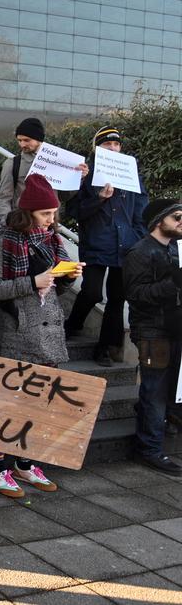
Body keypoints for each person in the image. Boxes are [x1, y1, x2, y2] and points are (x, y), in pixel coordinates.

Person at [0, 174, 83, 498]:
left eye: (55, 213)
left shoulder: (52, 239)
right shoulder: (4, 240)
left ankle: (25, 463)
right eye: (46, 214)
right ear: (28, 212)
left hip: (50, 332)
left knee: (39, 405)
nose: (53, 220)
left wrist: (68, 276)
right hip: (16, 333)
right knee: (9, 405)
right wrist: (32, 282)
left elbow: (53, 284)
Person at [65, 126, 148, 366]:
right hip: (95, 244)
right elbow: (74, 211)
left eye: (116, 144)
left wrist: (138, 236)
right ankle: (72, 324)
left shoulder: (131, 174)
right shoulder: (86, 174)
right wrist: (99, 198)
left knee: (116, 298)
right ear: (97, 148)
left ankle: (105, 348)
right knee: (91, 291)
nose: (113, 148)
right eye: (106, 144)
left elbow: (141, 208)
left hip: (126, 246)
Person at [122, 198, 182, 474]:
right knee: (154, 390)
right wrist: (173, 283)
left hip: (173, 328)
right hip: (151, 331)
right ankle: (149, 450)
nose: (181, 223)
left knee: (166, 389)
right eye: (177, 218)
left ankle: (155, 433)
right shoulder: (141, 252)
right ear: (160, 221)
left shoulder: (175, 249)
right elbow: (137, 296)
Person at [0, 118, 90, 224]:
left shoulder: (57, 161)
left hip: (49, 225)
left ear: (39, 139)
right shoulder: (12, 163)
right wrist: (6, 224)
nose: (22, 144)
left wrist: (78, 177)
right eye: (19, 140)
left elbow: (63, 196)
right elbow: (4, 197)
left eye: (27, 140)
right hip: (22, 224)